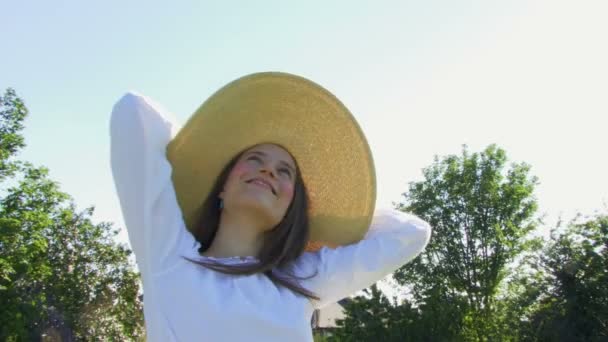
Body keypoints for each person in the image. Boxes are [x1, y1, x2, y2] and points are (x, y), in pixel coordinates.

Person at [109, 72, 432, 341]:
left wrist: (318, 218)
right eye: (254, 160)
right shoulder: (169, 253)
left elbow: (410, 235)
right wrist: (194, 152)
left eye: (284, 172)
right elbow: (133, 112)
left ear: (292, 206)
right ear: (221, 184)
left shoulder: (302, 278)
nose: (268, 171)